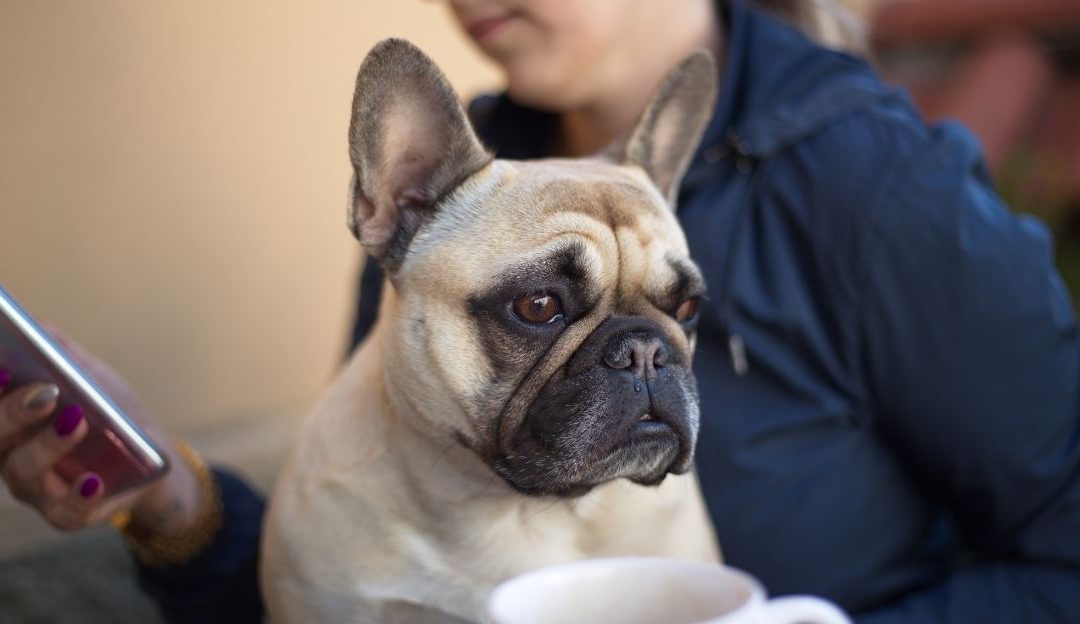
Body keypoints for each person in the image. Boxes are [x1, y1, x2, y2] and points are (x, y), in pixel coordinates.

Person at [3, 0, 1079, 622]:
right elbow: (348, 567)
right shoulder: (455, 193)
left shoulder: (879, 189)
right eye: (534, 308)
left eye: (675, 317)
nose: (648, 365)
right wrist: (170, 498)